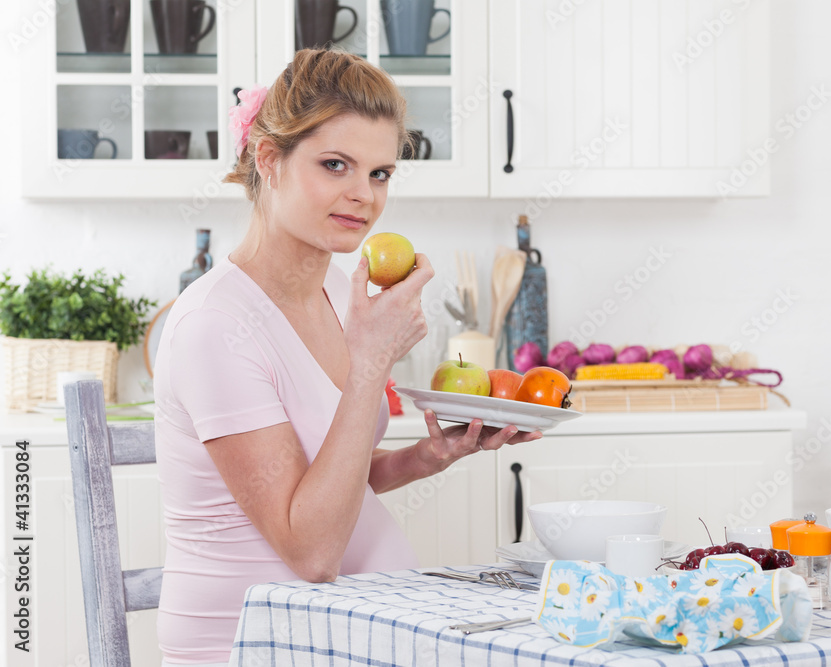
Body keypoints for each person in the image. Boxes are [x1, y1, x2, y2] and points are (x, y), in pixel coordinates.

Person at [153, 49, 541, 666]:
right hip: (252, 643)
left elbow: (326, 476)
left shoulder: (340, 291)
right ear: (269, 159)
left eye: (380, 173)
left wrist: (426, 456)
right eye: (335, 165)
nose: (363, 196)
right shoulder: (213, 327)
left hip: (348, 630)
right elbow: (311, 551)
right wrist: (370, 362)